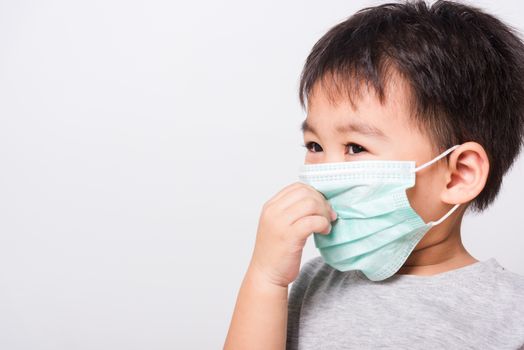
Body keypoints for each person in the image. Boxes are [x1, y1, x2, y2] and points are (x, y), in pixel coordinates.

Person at [224, 0, 524, 348]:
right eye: (315, 146)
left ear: (458, 175)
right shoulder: (315, 282)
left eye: (355, 147)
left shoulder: (509, 314)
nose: (327, 173)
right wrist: (266, 280)